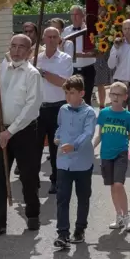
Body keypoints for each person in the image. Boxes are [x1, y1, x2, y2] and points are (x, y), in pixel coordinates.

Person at [0, 34, 43, 238]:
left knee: (28, 175)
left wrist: (11, 131)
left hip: (24, 132)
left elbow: (31, 107)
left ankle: (32, 213)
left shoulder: (32, 74)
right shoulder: (1, 68)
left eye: (21, 47)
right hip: (1, 128)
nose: (16, 51)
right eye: (13, 46)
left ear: (29, 51)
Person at [53, 75, 96, 248]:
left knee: (83, 196)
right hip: (63, 161)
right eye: (67, 93)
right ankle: (63, 234)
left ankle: (80, 229)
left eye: (72, 93)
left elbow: (88, 133)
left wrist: (75, 145)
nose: (68, 97)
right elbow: (60, 126)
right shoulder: (63, 109)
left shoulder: (89, 113)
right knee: (62, 198)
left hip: (82, 161)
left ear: (82, 93)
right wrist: (56, 137)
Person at [93, 81, 130, 232]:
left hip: (121, 154)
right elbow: (100, 135)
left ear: (125, 97)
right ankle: (118, 215)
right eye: (113, 94)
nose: (115, 97)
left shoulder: (128, 116)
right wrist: (91, 147)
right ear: (109, 95)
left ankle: (127, 216)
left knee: (119, 184)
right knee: (112, 186)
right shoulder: (104, 113)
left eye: (119, 94)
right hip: (106, 154)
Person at [36, 27, 73, 195]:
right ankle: (33, 179)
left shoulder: (65, 59)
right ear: (43, 38)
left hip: (57, 107)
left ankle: (56, 180)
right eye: (48, 36)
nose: (51, 40)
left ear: (59, 39)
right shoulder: (36, 58)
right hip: (38, 108)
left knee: (54, 146)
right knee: (34, 146)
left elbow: (63, 83)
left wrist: (43, 73)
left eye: (54, 37)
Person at [62, 5, 96, 105]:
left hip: (88, 68)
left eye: (77, 14)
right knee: (72, 97)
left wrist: (82, 55)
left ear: (83, 15)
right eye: (73, 15)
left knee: (87, 96)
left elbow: (96, 49)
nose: (75, 17)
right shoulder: (66, 32)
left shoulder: (91, 30)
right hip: (73, 69)